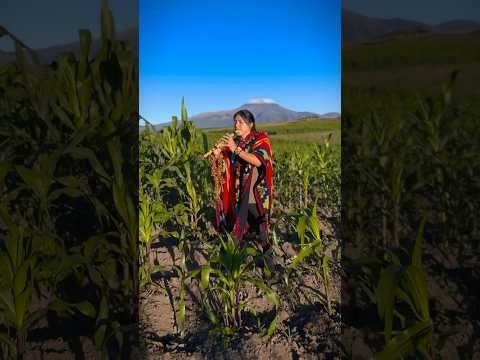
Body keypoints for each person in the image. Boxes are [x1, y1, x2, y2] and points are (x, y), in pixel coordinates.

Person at [212, 109, 273, 257]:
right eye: (235, 122)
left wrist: (235, 149)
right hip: (239, 193)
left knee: (256, 225)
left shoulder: (260, 138)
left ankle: (267, 265)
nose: (236, 125)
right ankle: (247, 261)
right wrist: (219, 154)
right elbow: (227, 166)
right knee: (252, 226)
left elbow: (258, 161)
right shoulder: (236, 142)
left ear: (250, 124)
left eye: (240, 122)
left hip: (255, 192)